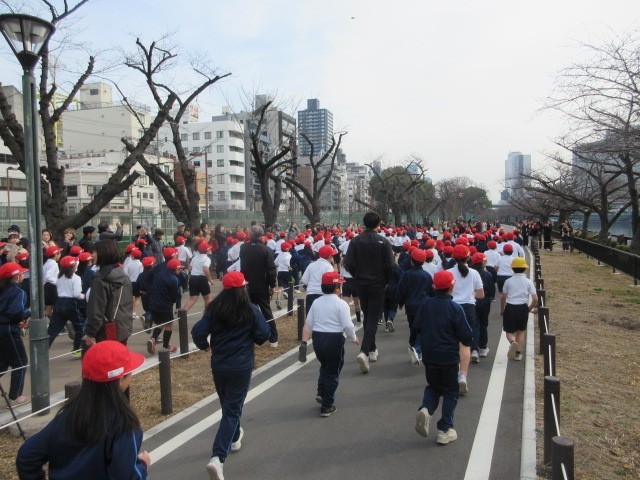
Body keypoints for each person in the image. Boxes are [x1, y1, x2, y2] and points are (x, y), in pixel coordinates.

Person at [16, 340, 150, 478]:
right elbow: (126, 475)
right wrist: (142, 466)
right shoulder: (124, 423)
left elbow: (27, 456)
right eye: (130, 372)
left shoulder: (69, 413)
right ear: (120, 379)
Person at [191, 271, 271, 480]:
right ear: (243, 288)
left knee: (228, 405)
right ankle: (217, 457)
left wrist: (204, 345)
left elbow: (198, 331)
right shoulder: (251, 309)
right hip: (241, 365)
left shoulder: (214, 308)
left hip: (219, 364)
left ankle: (234, 437)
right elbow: (263, 335)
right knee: (232, 411)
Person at [413, 270, 472, 446]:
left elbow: (416, 326)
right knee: (450, 391)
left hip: (429, 355)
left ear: (434, 287)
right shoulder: (455, 308)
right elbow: (466, 336)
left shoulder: (426, 304)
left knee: (433, 386)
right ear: (451, 287)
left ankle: (426, 409)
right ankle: (444, 429)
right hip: (448, 357)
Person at [299, 272, 359, 417]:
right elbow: (348, 325)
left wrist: (304, 342)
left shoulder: (316, 302)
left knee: (325, 366)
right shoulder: (341, 304)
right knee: (333, 371)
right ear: (336, 288)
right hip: (334, 339)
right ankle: (327, 406)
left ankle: (321, 391)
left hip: (318, 338)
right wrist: (353, 338)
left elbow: (308, 325)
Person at [344, 212, 395, 374]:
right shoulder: (383, 241)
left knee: (369, 317)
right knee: (373, 317)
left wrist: (357, 275)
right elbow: (390, 265)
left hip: (361, 283)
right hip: (378, 283)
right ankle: (364, 351)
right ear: (378, 224)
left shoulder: (355, 240)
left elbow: (348, 263)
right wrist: (386, 280)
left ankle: (372, 349)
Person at [83, 240, 134, 347]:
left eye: (95, 251)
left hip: (105, 330)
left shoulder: (101, 278)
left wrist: (90, 333)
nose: (92, 255)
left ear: (104, 253)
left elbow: (96, 308)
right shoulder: (122, 274)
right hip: (123, 327)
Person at [450, 245, 484, 393]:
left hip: (451, 308)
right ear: (469, 257)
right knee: (465, 344)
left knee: (451, 342)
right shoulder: (474, 273)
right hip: (469, 309)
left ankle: (451, 374)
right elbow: (481, 294)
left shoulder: (448, 272)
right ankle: (463, 376)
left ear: (454, 258)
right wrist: (470, 294)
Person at [239, 225, 278, 348]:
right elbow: (271, 270)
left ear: (250, 235)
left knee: (247, 312)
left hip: (246, 286)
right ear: (261, 236)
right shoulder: (266, 250)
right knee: (266, 311)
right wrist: (272, 285)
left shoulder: (243, 248)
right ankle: (273, 338)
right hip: (262, 285)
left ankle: (249, 337)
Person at [0, 261, 30, 407]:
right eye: (21, 273)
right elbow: (16, 312)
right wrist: (27, 313)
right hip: (8, 330)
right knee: (20, 361)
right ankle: (15, 396)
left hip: (2, 328)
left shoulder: (3, 290)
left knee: (4, 361)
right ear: (16, 276)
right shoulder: (19, 292)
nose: (23, 275)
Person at [397, 248, 434, 366]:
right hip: (424, 306)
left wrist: (400, 303)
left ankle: (414, 347)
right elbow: (432, 292)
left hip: (411, 306)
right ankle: (416, 349)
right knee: (422, 329)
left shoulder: (407, 274)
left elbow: (401, 290)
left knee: (413, 327)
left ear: (411, 261)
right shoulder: (427, 275)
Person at [501, 257, 538, 361]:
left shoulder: (508, 281)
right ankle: (517, 354)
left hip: (510, 307)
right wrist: (529, 308)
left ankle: (512, 342)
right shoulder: (528, 282)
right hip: (522, 308)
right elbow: (535, 299)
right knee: (520, 331)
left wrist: (502, 309)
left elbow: (503, 297)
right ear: (525, 268)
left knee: (509, 331)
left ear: (512, 268)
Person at [47, 256, 85, 353]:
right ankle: (77, 349)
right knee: (80, 327)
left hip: (59, 303)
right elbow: (77, 294)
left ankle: (42, 350)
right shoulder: (76, 278)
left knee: (52, 330)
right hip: (71, 304)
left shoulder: (59, 277)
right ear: (73, 266)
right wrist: (83, 296)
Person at [147, 258, 183, 354]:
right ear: (175, 269)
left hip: (153, 303)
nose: (180, 270)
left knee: (161, 322)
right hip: (165, 304)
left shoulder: (159, 274)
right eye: (179, 269)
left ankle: (153, 339)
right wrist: (172, 302)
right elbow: (174, 296)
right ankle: (165, 346)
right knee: (169, 324)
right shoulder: (174, 279)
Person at [470, 252, 495, 358]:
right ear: (484, 262)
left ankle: (474, 349)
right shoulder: (488, 274)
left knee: (475, 324)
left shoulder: (470, 273)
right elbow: (492, 290)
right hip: (485, 301)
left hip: (472, 301)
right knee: (484, 324)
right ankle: (483, 347)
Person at [184, 242, 215, 312]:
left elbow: (190, 267)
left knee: (192, 299)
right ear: (207, 250)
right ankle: (207, 314)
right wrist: (210, 279)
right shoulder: (207, 259)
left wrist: (196, 270)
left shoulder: (195, 257)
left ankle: (183, 313)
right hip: (201, 279)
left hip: (193, 278)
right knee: (207, 298)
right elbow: (205, 269)